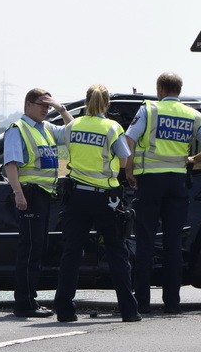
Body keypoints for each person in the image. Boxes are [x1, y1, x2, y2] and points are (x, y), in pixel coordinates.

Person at [125, 72, 201, 314]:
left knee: (146, 241)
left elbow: (128, 140)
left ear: (160, 88)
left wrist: (129, 171)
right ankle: (172, 303)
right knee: (172, 244)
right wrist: (193, 159)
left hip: (149, 181)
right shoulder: (192, 115)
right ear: (179, 90)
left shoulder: (149, 110)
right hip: (177, 182)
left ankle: (142, 303)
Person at [53, 84, 141, 324]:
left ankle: (64, 310)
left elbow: (62, 132)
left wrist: (61, 110)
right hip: (106, 198)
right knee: (116, 252)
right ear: (107, 104)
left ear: (86, 101)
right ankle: (129, 311)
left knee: (71, 253)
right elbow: (124, 160)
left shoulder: (74, 125)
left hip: (77, 197)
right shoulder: (112, 127)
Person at [3, 88, 74, 317]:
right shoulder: (19, 129)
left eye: (47, 105)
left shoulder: (46, 128)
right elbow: (11, 164)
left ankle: (29, 300)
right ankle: (25, 303)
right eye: (41, 104)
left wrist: (60, 108)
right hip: (29, 194)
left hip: (43, 195)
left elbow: (73, 132)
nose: (45, 109)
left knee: (38, 249)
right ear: (27, 106)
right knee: (30, 250)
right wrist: (18, 193)